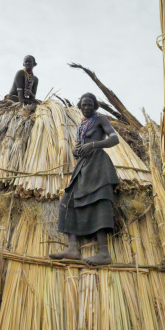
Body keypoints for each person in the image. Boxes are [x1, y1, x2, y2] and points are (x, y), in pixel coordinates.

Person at [49, 92, 119, 265]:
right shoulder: (81, 126)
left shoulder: (101, 120)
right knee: (68, 200)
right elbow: (80, 146)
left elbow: (115, 139)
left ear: (94, 106)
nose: (86, 108)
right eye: (83, 105)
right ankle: (72, 248)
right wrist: (76, 150)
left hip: (98, 165)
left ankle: (104, 252)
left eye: (89, 105)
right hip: (82, 166)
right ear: (80, 107)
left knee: (99, 201)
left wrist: (93, 145)